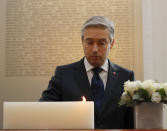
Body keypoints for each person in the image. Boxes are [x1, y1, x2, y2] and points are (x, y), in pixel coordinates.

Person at [39, 16, 134, 129]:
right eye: (89, 43)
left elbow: (132, 121)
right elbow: (44, 110)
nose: (94, 49)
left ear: (111, 44)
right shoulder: (63, 75)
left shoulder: (126, 77)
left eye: (101, 43)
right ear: (82, 42)